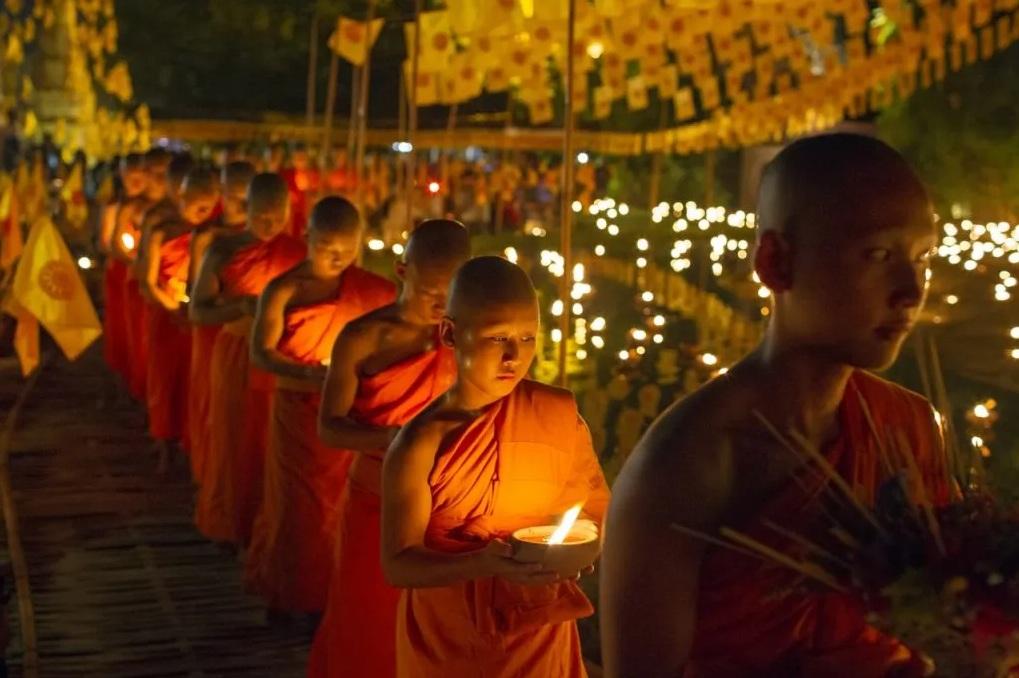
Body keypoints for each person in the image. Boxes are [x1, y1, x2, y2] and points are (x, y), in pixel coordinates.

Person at [599, 134, 948, 678]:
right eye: (878, 255)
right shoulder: (683, 464)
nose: (911, 290)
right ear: (776, 262)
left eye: (923, 258)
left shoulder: (909, 429)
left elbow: (938, 619)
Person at [381, 256, 611, 678]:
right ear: (450, 333)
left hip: (538, 631)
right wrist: (483, 564)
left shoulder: (556, 413)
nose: (513, 356)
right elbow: (398, 565)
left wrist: (578, 549)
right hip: (450, 641)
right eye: (497, 338)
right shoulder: (420, 442)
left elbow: (595, 508)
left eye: (527, 338)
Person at [306, 219, 470, 678]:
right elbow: (331, 428)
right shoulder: (363, 337)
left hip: (446, 502)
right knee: (367, 617)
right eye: (429, 290)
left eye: (450, 292)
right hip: (376, 495)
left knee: (438, 624)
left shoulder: (471, 342)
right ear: (402, 270)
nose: (440, 304)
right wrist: (396, 439)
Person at [244, 196, 396, 613]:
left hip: (348, 415)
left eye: (347, 252)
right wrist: (311, 374)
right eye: (328, 249)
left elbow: (389, 339)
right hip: (297, 411)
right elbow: (261, 352)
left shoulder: (372, 290)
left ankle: (333, 598)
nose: (338, 259)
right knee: (297, 512)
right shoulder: (284, 289)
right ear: (307, 237)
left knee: (338, 513)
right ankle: (290, 594)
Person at [190, 173, 306, 545]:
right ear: (246, 210)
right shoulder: (223, 252)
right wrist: (240, 307)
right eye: (262, 216)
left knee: (274, 443)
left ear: (288, 212)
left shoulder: (301, 254)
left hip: (281, 356)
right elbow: (198, 311)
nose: (270, 225)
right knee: (235, 438)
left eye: (277, 216)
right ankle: (232, 523)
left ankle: (273, 523)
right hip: (237, 352)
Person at [138, 167, 219, 472]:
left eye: (208, 208)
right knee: (165, 379)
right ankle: (163, 443)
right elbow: (147, 281)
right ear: (180, 198)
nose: (202, 214)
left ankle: (191, 443)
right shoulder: (163, 232)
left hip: (198, 319)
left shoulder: (214, 236)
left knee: (193, 383)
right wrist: (172, 305)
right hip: (166, 315)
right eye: (196, 207)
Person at [186, 160, 256, 484]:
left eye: (246, 199)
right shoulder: (209, 237)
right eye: (232, 195)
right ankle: (205, 469)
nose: (238, 205)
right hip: (216, 331)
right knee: (208, 401)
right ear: (221, 193)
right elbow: (192, 291)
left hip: (253, 338)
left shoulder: (264, 238)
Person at [113, 147, 172, 400]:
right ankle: (144, 389)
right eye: (152, 172)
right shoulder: (132, 207)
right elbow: (116, 244)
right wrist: (142, 258)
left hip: (171, 284)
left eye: (163, 173)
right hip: (141, 280)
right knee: (142, 340)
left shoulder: (178, 207)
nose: (158, 179)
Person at [99, 152, 147, 386]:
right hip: (120, 272)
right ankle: (123, 378)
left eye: (139, 173)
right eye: (129, 173)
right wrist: (128, 252)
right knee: (122, 329)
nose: (134, 178)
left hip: (146, 272)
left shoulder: (153, 207)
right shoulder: (114, 207)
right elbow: (106, 242)